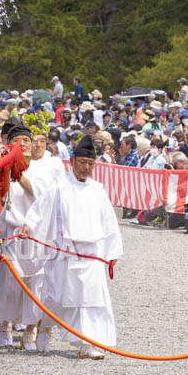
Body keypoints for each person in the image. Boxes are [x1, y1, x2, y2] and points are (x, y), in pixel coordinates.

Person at [39, 134, 123, 359]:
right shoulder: (59, 187)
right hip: (65, 249)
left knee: (90, 299)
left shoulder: (98, 189)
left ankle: (87, 343)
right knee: (56, 296)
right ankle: (45, 325)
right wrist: (30, 227)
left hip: (91, 253)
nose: (87, 167)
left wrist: (111, 251)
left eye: (91, 164)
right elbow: (41, 211)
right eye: (83, 162)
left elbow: (108, 222)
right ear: (73, 161)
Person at [0, 124, 58, 351]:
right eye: (16, 141)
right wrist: (6, 168)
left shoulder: (42, 168)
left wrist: (18, 174)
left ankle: (30, 330)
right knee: (9, 280)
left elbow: (39, 195)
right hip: (8, 231)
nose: (22, 145)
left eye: (25, 141)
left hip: (35, 232)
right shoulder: (0, 166)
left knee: (35, 282)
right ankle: (5, 325)